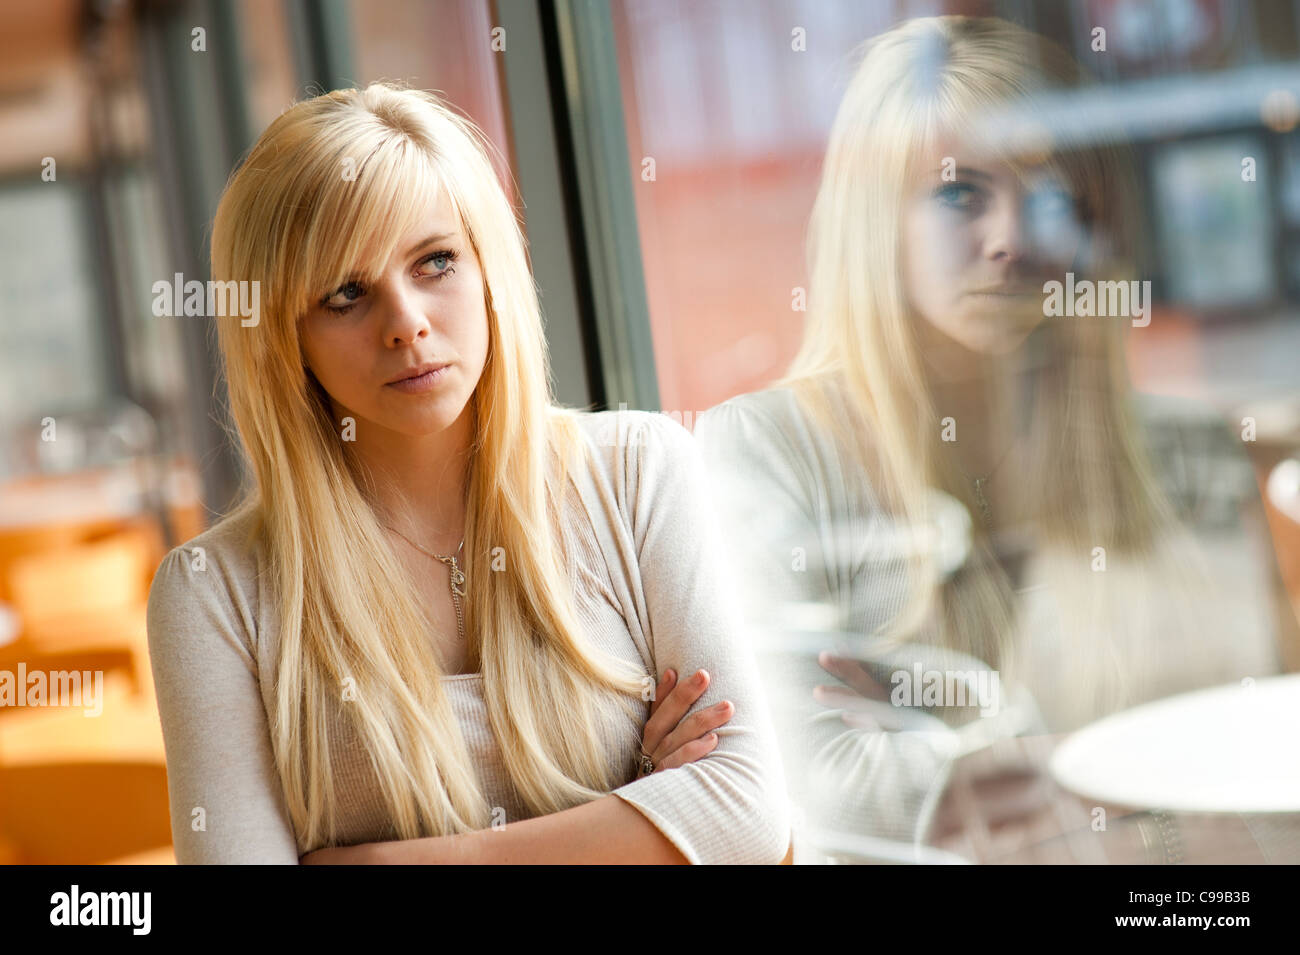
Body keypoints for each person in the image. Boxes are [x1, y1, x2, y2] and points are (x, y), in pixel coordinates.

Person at [694, 15, 1298, 864]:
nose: (1012, 239)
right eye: (958, 193)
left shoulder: (1178, 450)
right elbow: (802, 775)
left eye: (1051, 197)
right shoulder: (766, 451)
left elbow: (1237, 749)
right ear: (877, 223)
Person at [145, 82, 790, 864]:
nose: (407, 322)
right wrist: (641, 806)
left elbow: (749, 815)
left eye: (436, 261)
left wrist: (390, 861)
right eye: (346, 293)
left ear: (489, 271)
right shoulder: (213, 591)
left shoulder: (638, 471)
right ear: (285, 338)